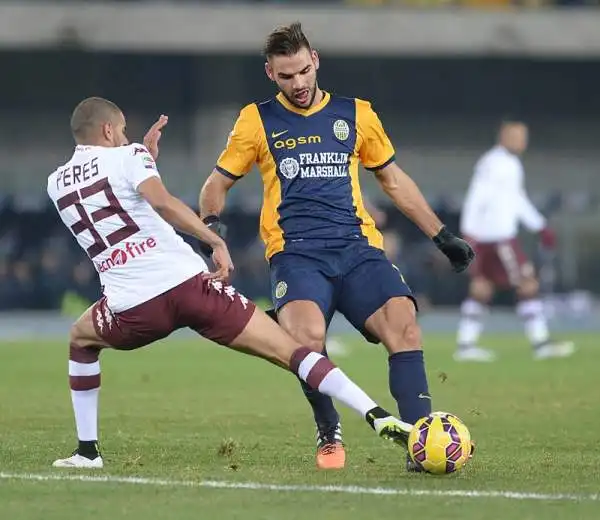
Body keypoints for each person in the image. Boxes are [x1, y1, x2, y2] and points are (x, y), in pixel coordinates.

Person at [48, 97, 413, 469]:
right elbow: (160, 202)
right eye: (122, 130)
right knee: (294, 352)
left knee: (81, 338)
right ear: (109, 130)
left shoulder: (56, 182)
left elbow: (114, 201)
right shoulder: (129, 156)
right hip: (192, 287)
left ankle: (87, 452)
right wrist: (214, 239)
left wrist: (143, 158)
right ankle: (376, 413)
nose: (126, 137)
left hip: (133, 310)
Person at [198, 23, 474, 471]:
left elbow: (393, 181)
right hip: (297, 254)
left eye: (304, 71)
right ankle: (329, 430)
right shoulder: (256, 120)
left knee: (403, 326)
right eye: (286, 76)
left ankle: (418, 442)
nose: (299, 84)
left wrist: (442, 235)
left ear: (316, 61)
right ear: (270, 73)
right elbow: (215, 185)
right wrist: (213, 233)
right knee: (304, 338)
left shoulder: (357, 114)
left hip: (357, 248)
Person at [456, 118, 575, 362]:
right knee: (527, 283)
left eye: (524, 136)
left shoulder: (507, 163)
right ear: (503, 136)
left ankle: (465, 345)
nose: (522, 141)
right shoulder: (497, 163)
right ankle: (541, 343)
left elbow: (516, 200)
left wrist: (539, 225)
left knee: (482, 288)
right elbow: (477, 196)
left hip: (490, 237)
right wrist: (468, 231)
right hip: (498, 237)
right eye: (517, 136)